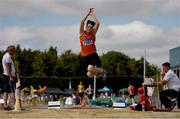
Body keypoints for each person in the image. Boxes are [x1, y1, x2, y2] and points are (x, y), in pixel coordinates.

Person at [79, 8, 101, 76]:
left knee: (90, 68)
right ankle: (99, 73)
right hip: (85, 57)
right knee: (89, 74)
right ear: (86, 27)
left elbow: (97, 23)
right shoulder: (82, 33)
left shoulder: (93, 34)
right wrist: (87, 14)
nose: (89, 28)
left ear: (92, 29)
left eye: (91, 27)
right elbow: (82, 22)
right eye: (88, 27)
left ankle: (103, 71)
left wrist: (92, 14)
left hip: (93, 55)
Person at [2, 45, 16, 110]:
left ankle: (5, 105)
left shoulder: (5, 56)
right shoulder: (8, 57)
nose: (14, 52)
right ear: (11, 50)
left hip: (5, 75)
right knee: (12, 90)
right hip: (8, 75)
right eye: (14, 51)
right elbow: (8, 68)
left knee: (6, 91)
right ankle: (11, 105)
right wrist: (11, 77)